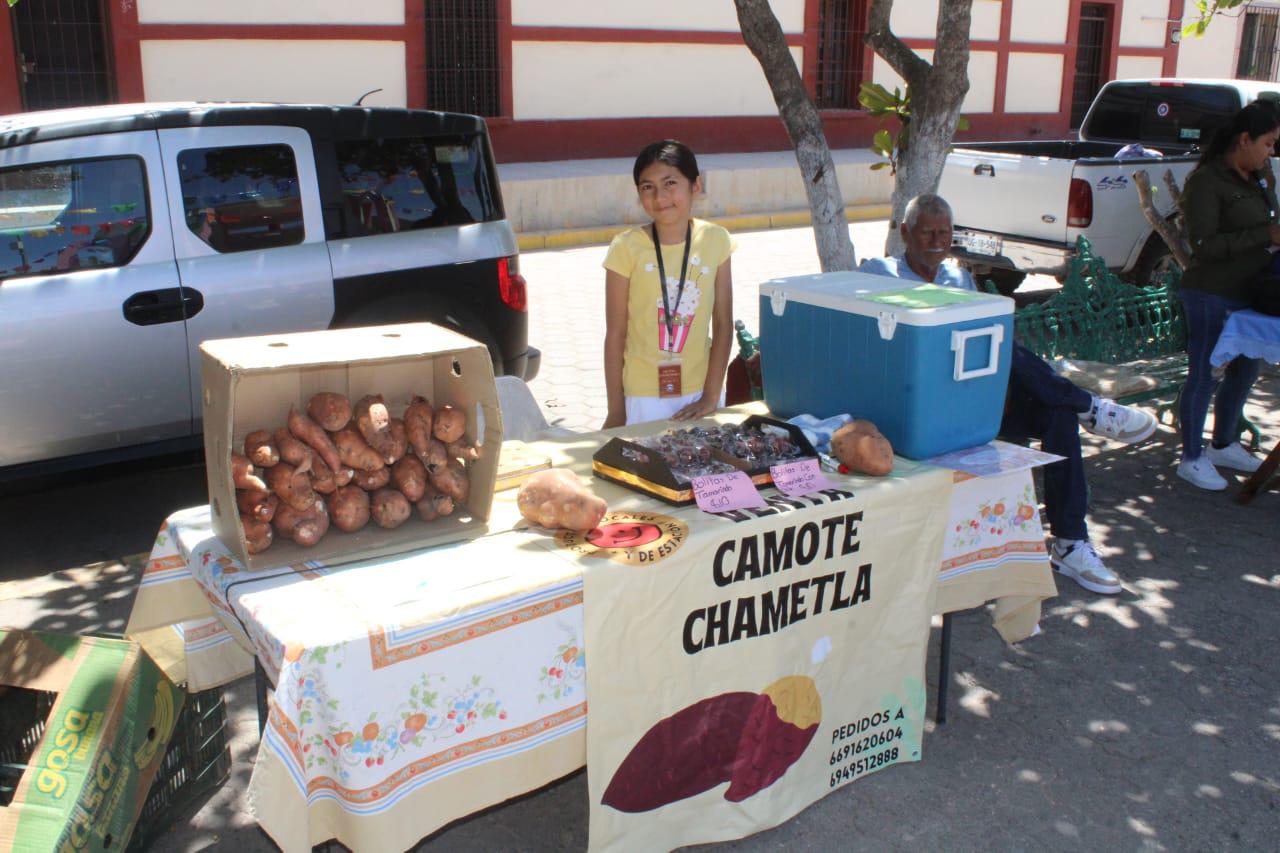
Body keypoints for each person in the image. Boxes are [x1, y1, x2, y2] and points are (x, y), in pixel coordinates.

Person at [860, 193, 1158, 596]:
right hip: (913, 408)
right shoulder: (880, 273)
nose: (936, 242)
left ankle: (1070, 543)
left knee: (1056, 414)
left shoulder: (958, 279)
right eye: (927, 232)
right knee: (1004, 345)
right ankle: (1090, 406)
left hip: (969, 401)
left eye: (944, 233)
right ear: (905, 232)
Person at [1174, 101, 1280, 490]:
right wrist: (1264, 236)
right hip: (1211, 292)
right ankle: (1191, 457)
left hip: (1250, 291)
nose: (1271, 152)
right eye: (1268, 143)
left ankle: (1223, 443)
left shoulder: (1258, 178)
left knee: (1246, 369)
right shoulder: (1206, 181)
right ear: (1244, 139)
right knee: (1205, 374)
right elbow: (1204, 245)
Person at [602, 140, 735, 428]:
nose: (659, 196)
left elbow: (723, 323)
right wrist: (616, 411)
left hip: (701, 390)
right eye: (647, 187)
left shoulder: (716, 240)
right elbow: (615, 335)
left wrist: (711, 396)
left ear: (695, 185)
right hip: (643, 395)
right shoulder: (625, 248)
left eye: (670, 183)